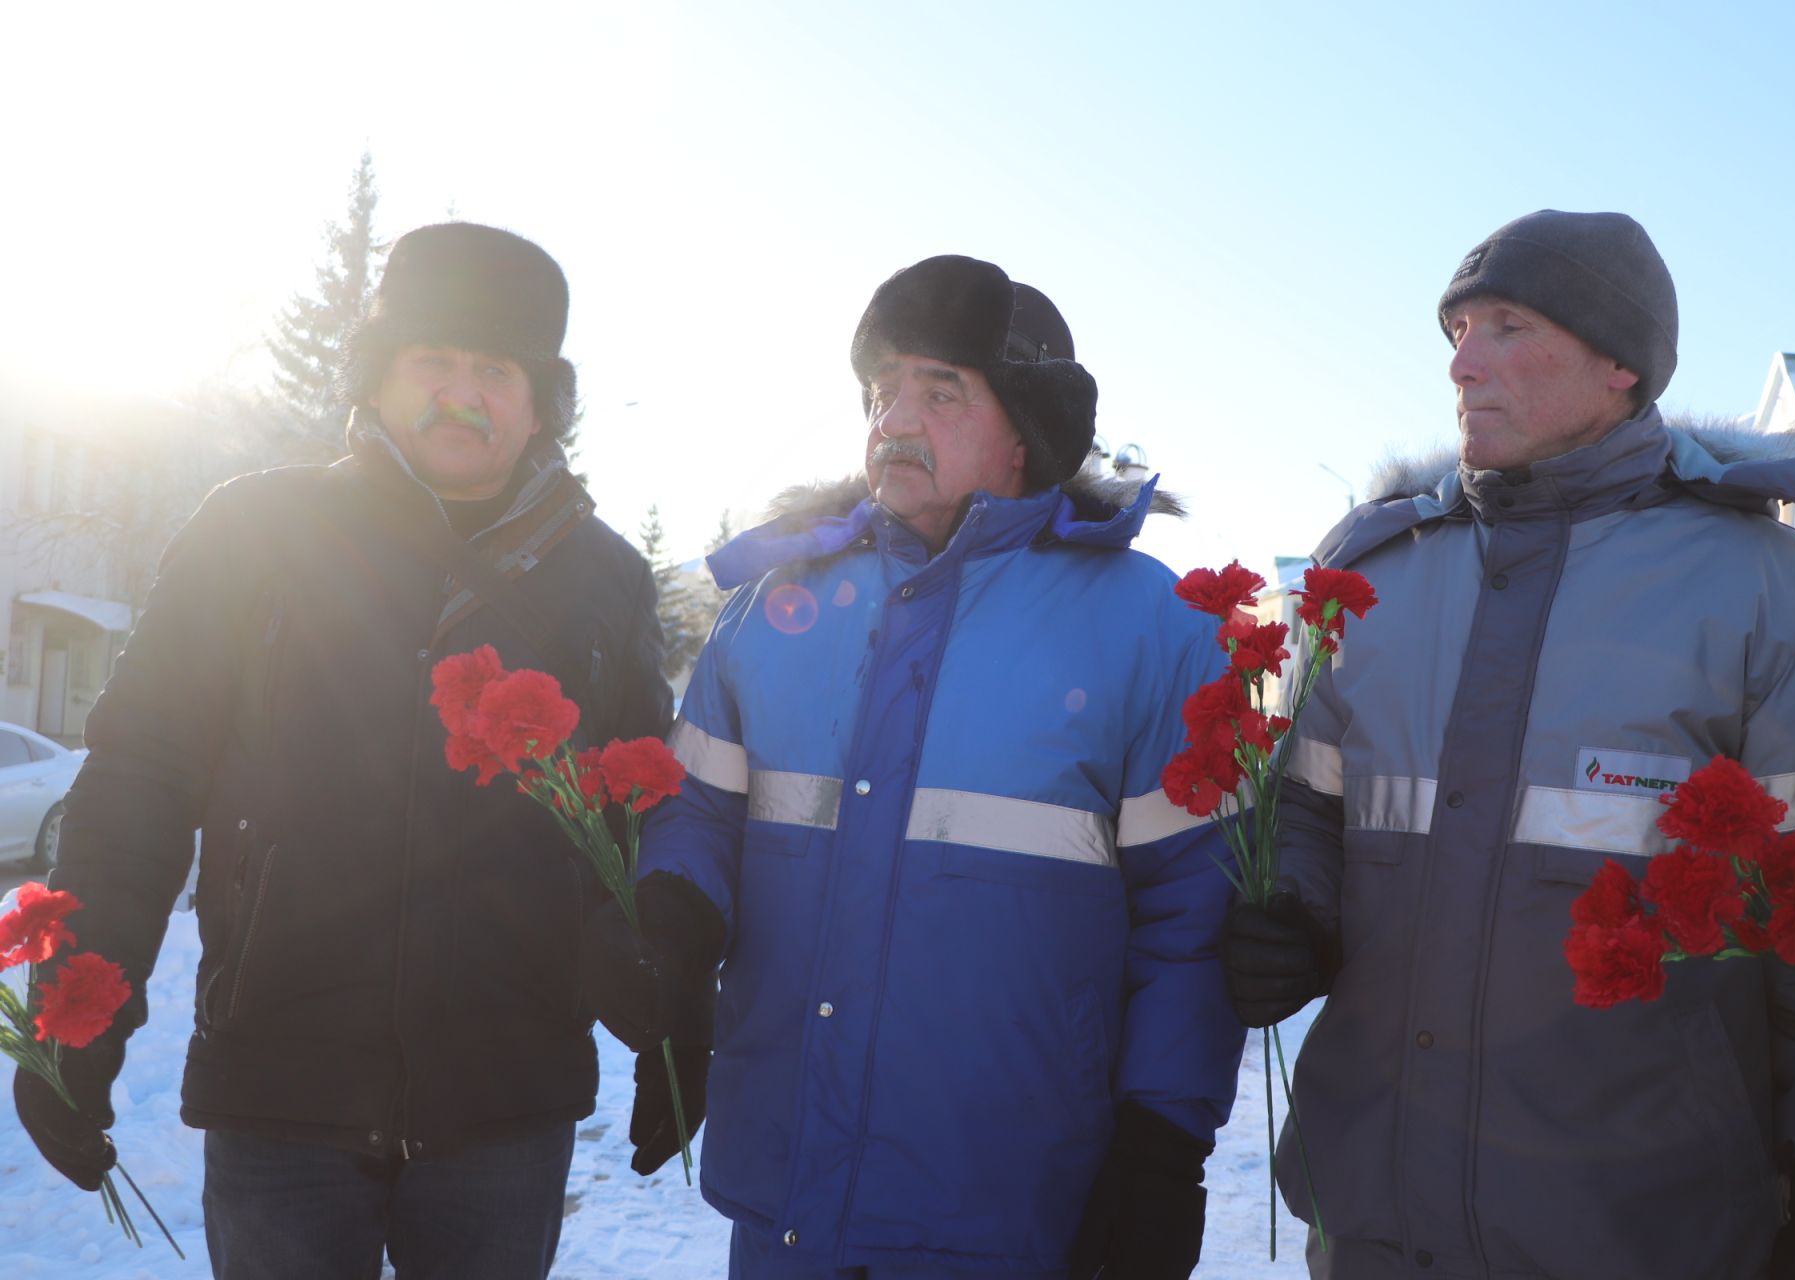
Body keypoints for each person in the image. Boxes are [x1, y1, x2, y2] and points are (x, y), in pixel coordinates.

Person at [1223, 210, 1795, 1279]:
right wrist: (1296, 919)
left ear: (1619, 366)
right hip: (1372, 1218)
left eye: (1507, 326)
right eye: (1457, 328)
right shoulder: (1377, 580)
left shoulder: (1787, 600)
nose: (1462, 363)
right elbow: (1313, 809)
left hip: (1643, 1231)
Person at [13, 222, 674, 1279]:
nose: (464, 391)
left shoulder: (603, 576)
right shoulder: (256, 530)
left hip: (504, 1106)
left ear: (541, 395)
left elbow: (637, 811)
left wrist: (669, 1012)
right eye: (435, 360)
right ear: (380, 374)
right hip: (283, 1094)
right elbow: (142, 766)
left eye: (496, 368)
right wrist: (80, 1005)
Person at [580, 253, 1245, 1278]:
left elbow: (1193, 911)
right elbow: (696, 813)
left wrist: (1164, 1143)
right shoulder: (774, 605)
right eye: (883, 388)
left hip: (1017, 1203)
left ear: (1028, 430)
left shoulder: (1149, 628)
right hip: (788, 1197)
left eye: (941, 391)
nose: (895, 417)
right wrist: (675, 925)